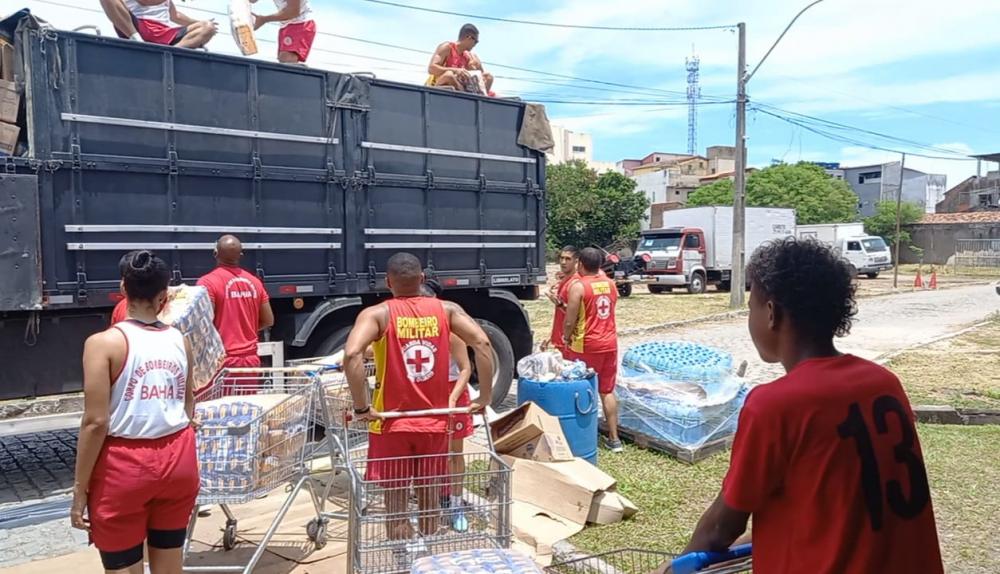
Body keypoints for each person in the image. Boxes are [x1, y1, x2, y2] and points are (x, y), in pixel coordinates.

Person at [665, 238, 943, 574]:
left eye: (752, 306)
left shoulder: (775, 405)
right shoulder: (884, 383)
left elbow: (720, 529)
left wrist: (670, 569)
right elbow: (839, 508)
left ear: (771, 313)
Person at [343, 253, 494, 554]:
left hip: (390, 423)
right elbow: (483, 343)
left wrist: (362, 407)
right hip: (434, 421)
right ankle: (427, 554)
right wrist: (485, 395)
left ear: (388, 282)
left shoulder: (377, 315)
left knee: (397, 498)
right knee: (428, 493)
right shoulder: (447, 310)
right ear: (422, 278)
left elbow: (351, 355)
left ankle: (401, 556)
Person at [71, 251, 199, 574]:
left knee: (123, 565)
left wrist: (79, 491)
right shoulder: (180, 340)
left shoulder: (103, 344)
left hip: (125, 466)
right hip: (179, 457)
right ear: (164, 296)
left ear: (122, 289)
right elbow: (188, 404)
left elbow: (95, 422)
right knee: (170, 560)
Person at [419, 280, 479, 533]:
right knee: (426, 453)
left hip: (452, 391)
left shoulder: (451, 331)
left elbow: (466, 367)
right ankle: (428, 504)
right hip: (424, 392)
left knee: (454, 453)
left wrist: (454, 397)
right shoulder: (411, 330)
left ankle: (455, 505)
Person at [562, 247, 622, 453]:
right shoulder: (611, 284)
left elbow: (570, 320)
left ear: (580, 264)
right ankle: (614, 439)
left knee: (579, 389)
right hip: (610, 343)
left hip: (585, 345)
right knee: (606, 391)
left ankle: (581, 435)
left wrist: (566, 337)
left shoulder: (578, 287)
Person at [197, 235, 274, 388]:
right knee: (245, 403)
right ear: (241, 255)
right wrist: (244, 330)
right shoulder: (255, 282)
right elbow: (268, 320)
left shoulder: (207, 283)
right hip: (250, 362)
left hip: (220, 361)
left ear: (215, 253)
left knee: (217, 403)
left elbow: (204, 323)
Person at [101, 0, 217, 49]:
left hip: (166, 33)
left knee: (208, 27)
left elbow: (175, 15)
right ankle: (136, 40)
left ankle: (173, 52)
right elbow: (145, 1)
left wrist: (199, 23)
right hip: (138, 27)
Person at [426, 23, 494, 95]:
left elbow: (479, 78)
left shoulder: (467, 56)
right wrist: (456, 70)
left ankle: (479, 99)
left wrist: (475, 67)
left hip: (456, 89)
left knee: (488, 76)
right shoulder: (447, 47)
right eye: (476, 41)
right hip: (437, 87)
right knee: (449, 75)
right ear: (469, 38)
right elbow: (431, 69)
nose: (475, 45)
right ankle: (466, 96)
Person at [250, 0, 317, 64]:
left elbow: (293, 11)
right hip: (286, 24)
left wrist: (264, 19)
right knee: (283, 60)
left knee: (286, 58)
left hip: (300, 23)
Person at [541, 245, 579, 353]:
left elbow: (576, 315)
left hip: (570, 341)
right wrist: (550, 337)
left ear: (576, 261)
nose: (563, 262)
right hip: (560, 340)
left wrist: (559, 304)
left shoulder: (576, 283)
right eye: (561, 258)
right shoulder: (564, 282)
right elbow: (560, 316)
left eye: (568, 259)